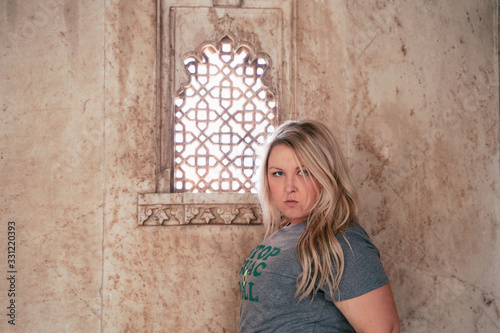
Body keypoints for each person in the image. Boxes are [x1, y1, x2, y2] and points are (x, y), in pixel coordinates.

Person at [238, 120, 400, 332]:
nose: (289, 187)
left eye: (303, 172)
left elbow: (385, 329)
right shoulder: (285, 234)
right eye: (278, 173)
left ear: (326, 175)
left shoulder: (341, 241)